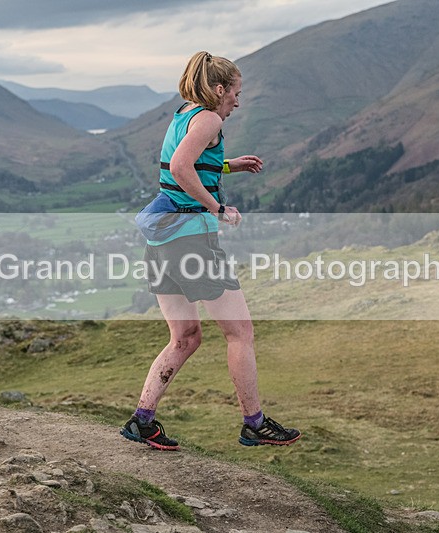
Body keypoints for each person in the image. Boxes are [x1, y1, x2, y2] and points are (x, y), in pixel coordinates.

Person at [120, 51, 301, 451]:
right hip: (191, 240)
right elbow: (181, 168)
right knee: (240, 332)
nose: (238, 101)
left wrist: (228, 166)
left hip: (161, 239)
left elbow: (184, 162)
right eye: (236, 92)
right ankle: (254, 423)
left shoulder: (184, 114)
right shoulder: (210, 119)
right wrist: (218, 208)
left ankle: (141, 420)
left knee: (185, 337)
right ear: (219, 90)